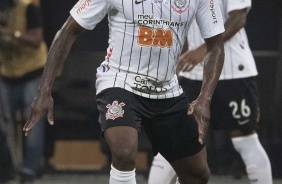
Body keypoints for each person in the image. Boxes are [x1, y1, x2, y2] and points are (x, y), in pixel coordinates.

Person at [23, 0, 225, 183]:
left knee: (198, 174)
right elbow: (68, 31)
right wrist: (44, 91)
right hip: (120, 82)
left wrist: (204, 99)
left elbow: (216, 45)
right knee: (124, 152)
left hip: (167, 90)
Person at [148, 0, 273, 184]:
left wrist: (204, 48)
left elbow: (238, 18)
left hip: (233, 72)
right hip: (194, 74)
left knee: (245, 140)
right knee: (174, 139)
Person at [0, 0, 48, 183]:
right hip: (7, 72)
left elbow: (36, 41)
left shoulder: (28, 7)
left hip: (32, 71)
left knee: (32, 122)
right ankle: (6, 168)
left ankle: (29, 169)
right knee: (4, 124)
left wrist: (11, 33)